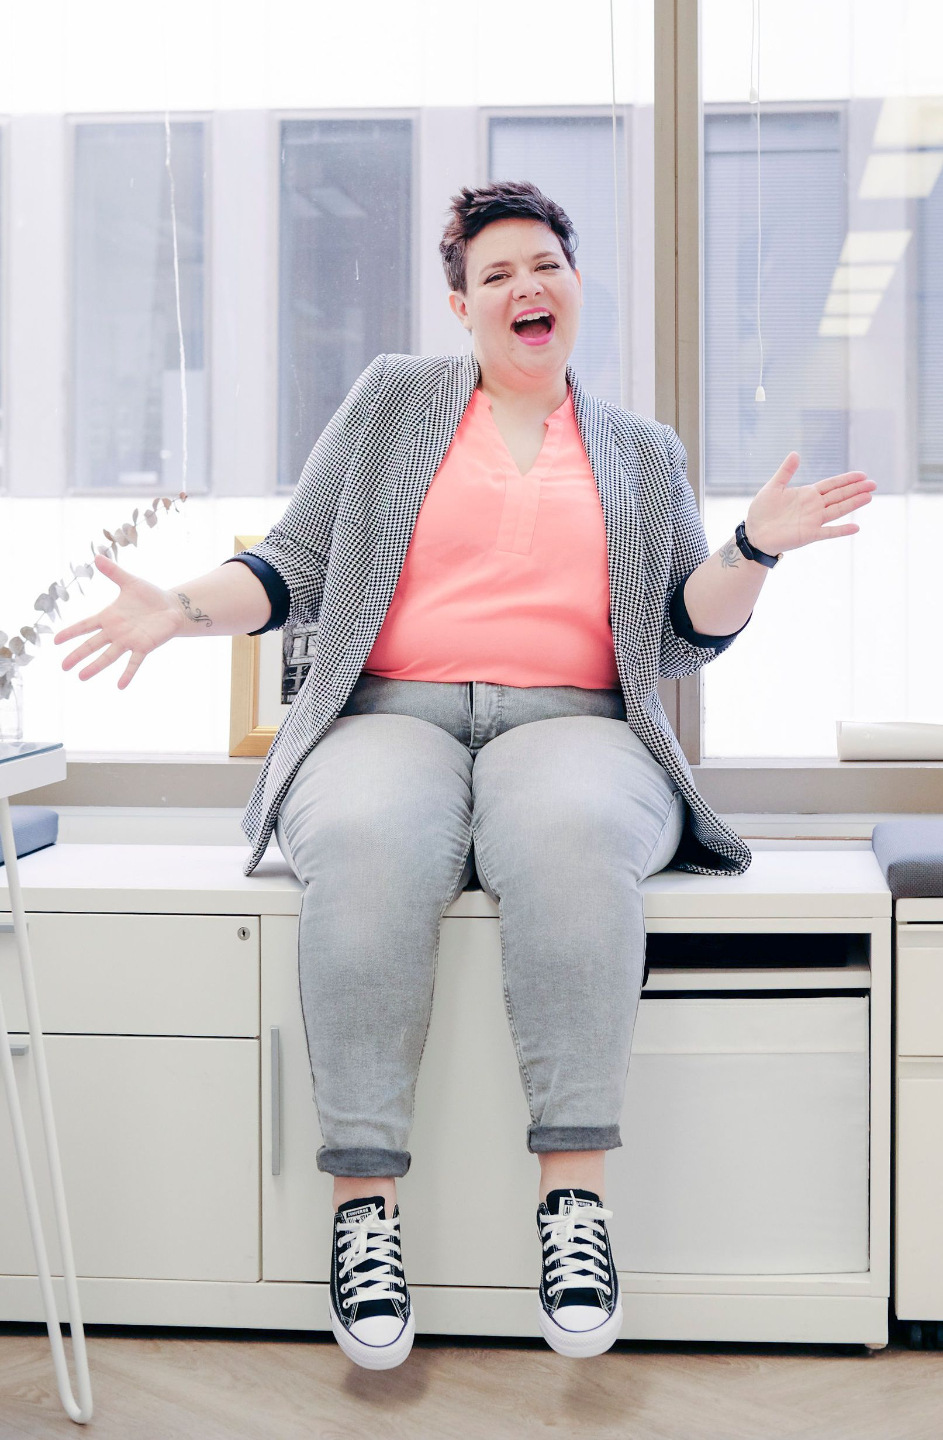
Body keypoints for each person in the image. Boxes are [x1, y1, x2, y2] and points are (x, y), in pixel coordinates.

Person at [52, 180, 874, 1371]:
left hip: (575, 720)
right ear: (462, 306)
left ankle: (573, 1205)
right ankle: (364, 1213)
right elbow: (292, 565)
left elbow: (682, 628)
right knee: (369, 843)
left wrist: (753, 548)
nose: (524, 287)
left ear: (575, 285)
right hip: (393, 712)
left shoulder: (642, 451)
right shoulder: (394, 401)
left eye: (544, 265)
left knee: (573, 836)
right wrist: (178, 609)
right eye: (496, 275)